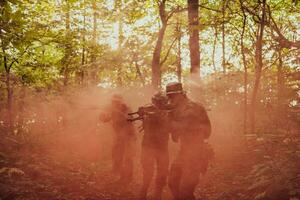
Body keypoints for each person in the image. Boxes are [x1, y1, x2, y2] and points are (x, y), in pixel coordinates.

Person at [166, 82, 212, 200]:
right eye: (169, 96)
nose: (170, 99)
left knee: (185, 190)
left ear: (181, 94)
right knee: (172, 182)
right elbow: (175, 138)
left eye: (173, 96)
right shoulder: (175, 110)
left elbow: (205, 132)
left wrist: (167, 120)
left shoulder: (192, 107)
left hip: (196, 153)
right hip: (184, 152)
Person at [137, 92, 170, 200]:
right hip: (148, 146)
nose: (159, 103)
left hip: (162, 147)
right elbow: (141, 117)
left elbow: (168, 124)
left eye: (161, 101)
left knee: (162, 172)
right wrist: (142, 113)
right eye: (157, 101)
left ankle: (158, 194)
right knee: (147, 172)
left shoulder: (169, 112)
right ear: (153, 101)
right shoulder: (148, 109)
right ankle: (143, 192)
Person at [99, 94, 136, 183]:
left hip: (128, 135)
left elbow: (129, 119)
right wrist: (104, 116)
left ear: (120, 102)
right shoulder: (111, 109)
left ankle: (128, 177)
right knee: (116, 154)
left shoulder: (127, 108)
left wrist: (119, 113)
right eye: (113, 102)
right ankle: (120, 173)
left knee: (128, 157)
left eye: (116, 102)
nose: (115, 103)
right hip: (119, 136)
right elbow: (104, 119)